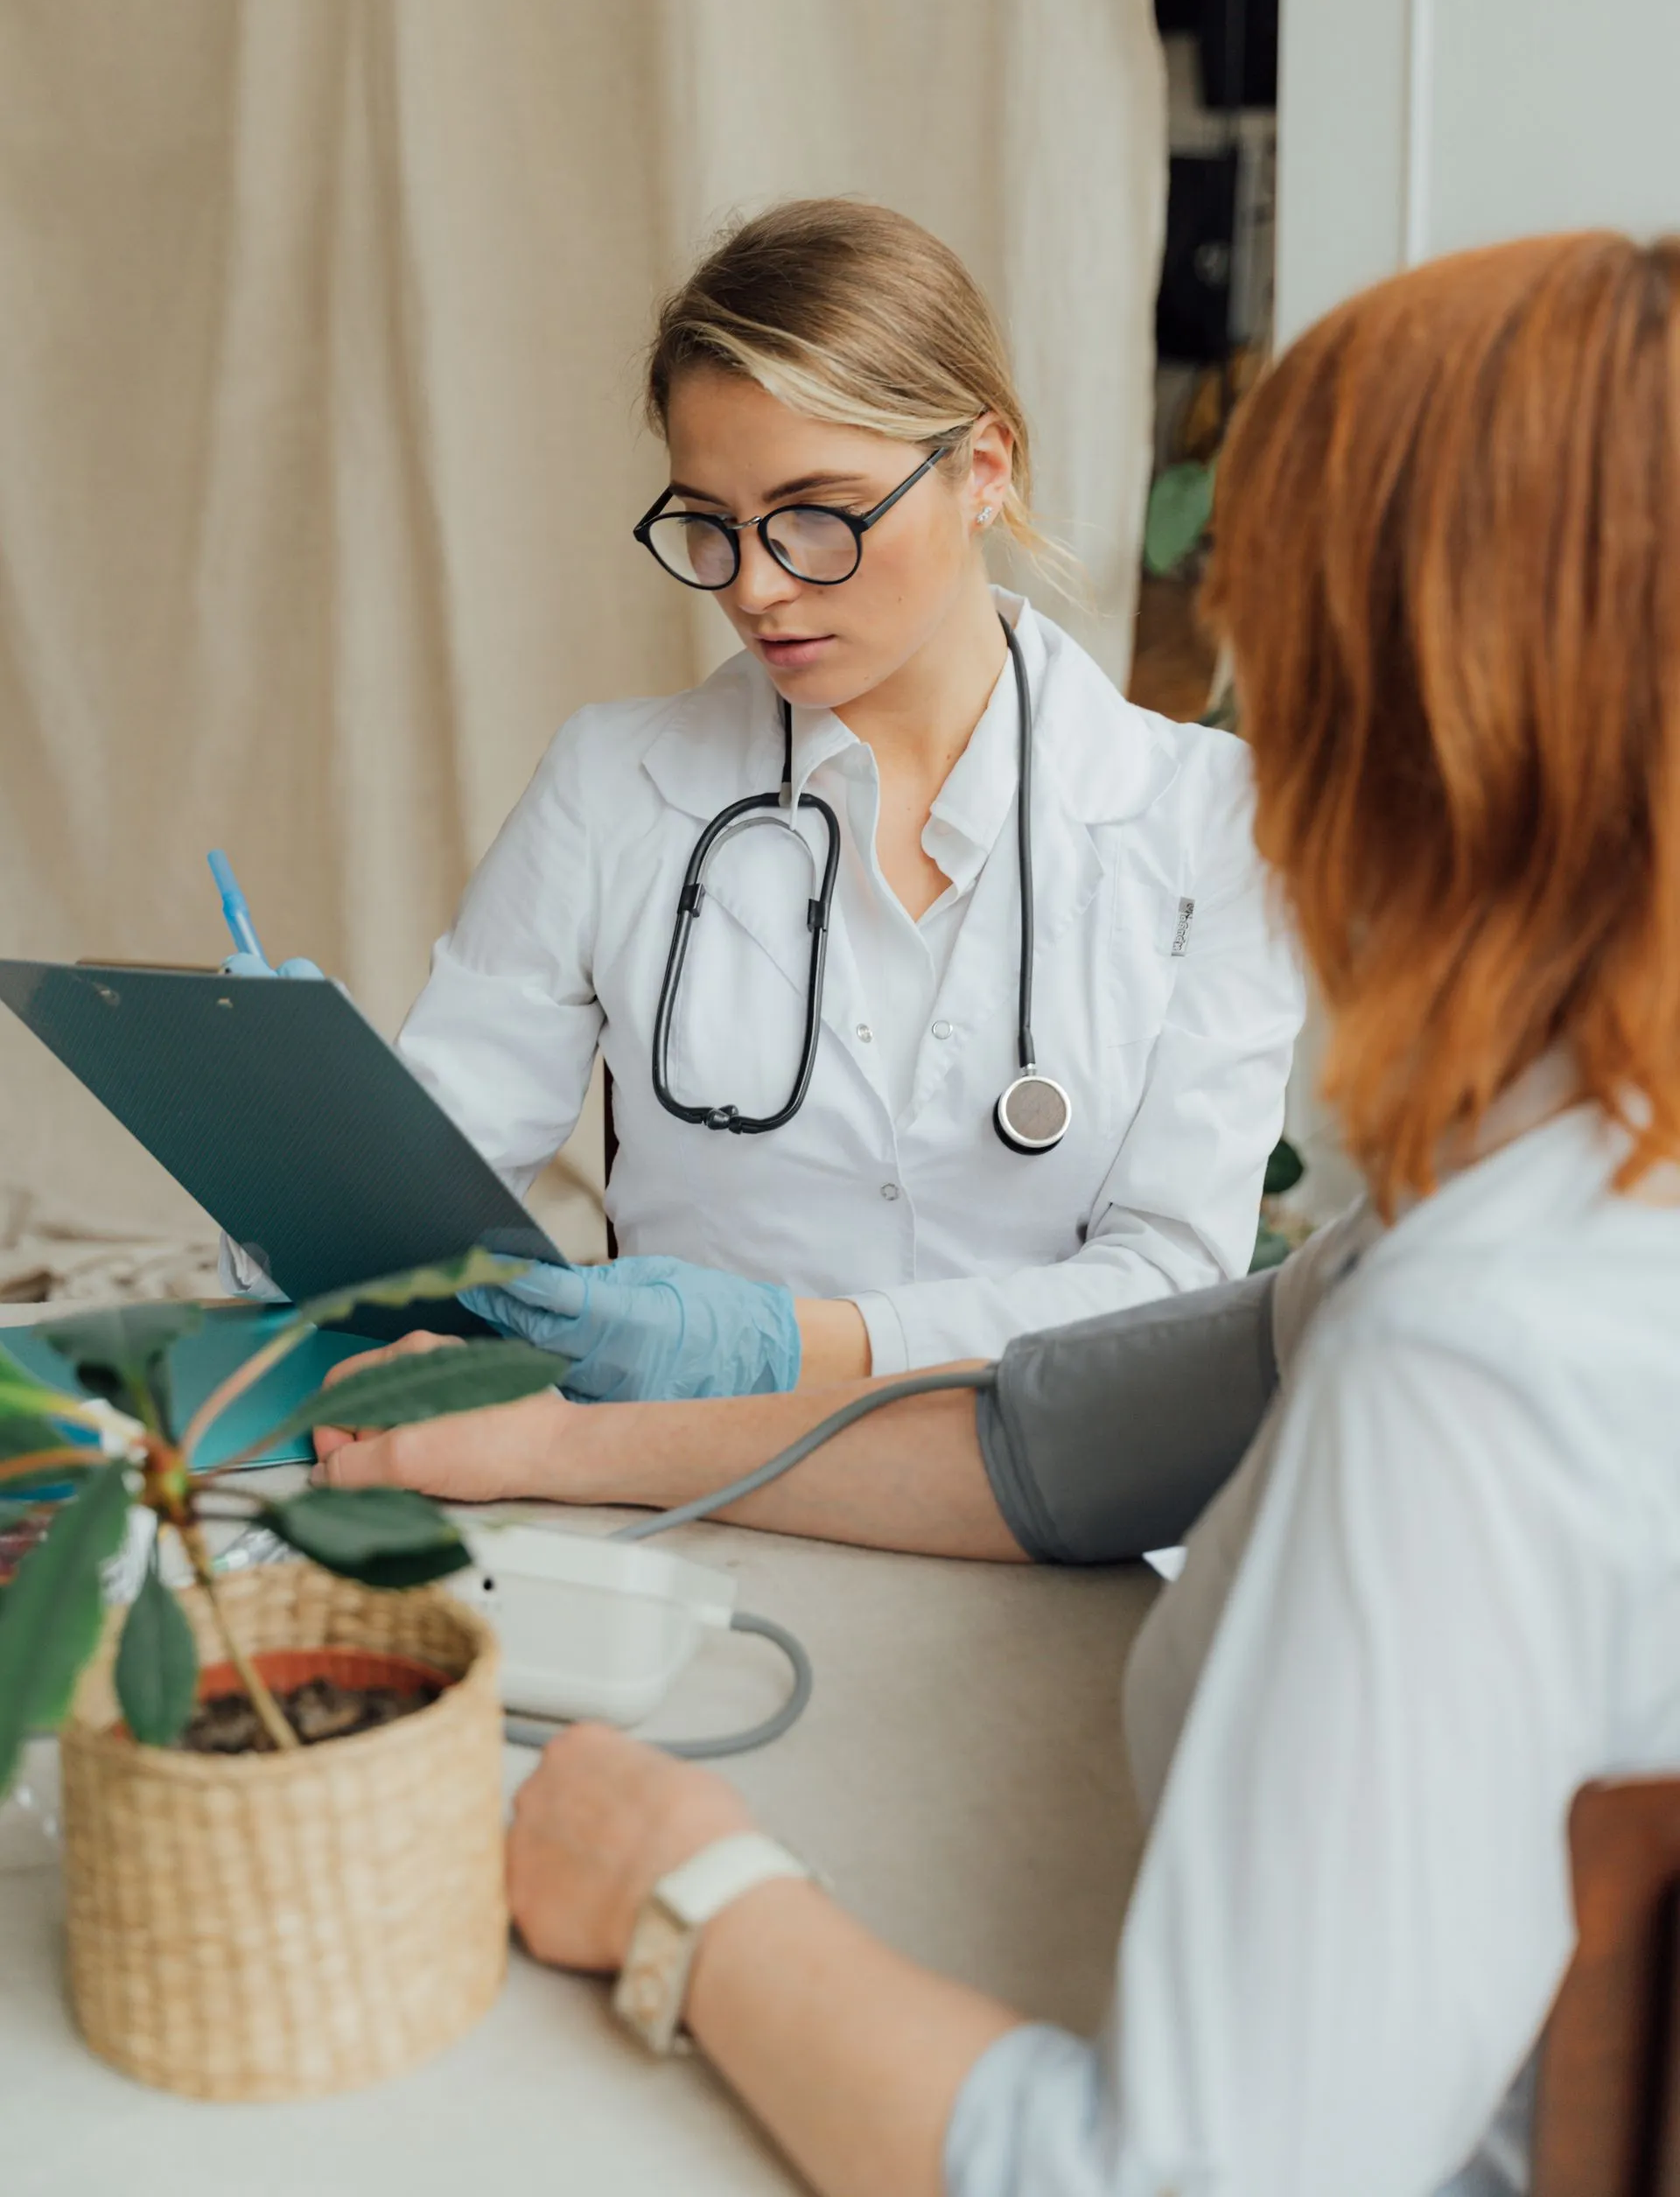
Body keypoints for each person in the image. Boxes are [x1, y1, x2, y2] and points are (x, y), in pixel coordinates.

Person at [320, 231, 1680, 2194]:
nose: (1252, 749)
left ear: (1433, 728)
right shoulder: (1530, 1198)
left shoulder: (1476, 1359)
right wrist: (569, 1433)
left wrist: (683, 1885)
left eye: (1275, 661)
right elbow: (1066, 1440)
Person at [390, 198, 1301, 1401]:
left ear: (980, 470)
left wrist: (795, 1344)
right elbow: (408, 1208)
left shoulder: (1208, 819)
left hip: (1038, 1508)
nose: (756, 585)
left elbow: (1171, 1281)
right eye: (709, 526)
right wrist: (320, 1156)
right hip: (683, 1493)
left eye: (815, 515)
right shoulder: (614, 786)